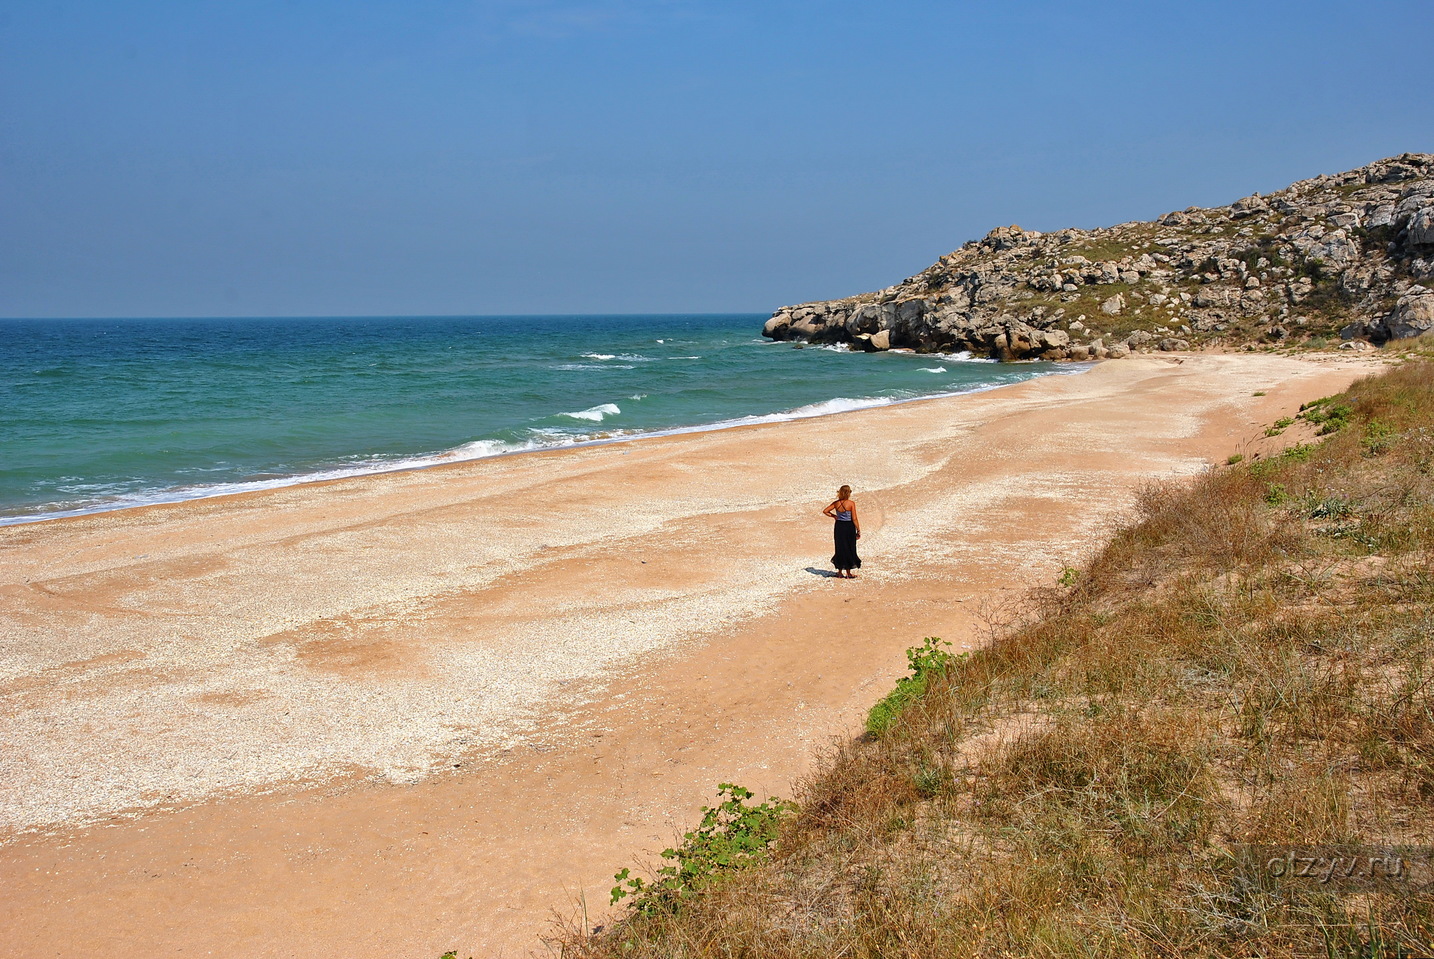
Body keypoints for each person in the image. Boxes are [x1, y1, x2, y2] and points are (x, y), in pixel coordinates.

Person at [822, 485, 862, 579]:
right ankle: (848, 573)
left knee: (839, 547)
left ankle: (839, 572)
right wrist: (858, 529)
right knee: (849, 548)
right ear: (848, 493)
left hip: (839, 526)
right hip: (848, 527)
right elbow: (854, 518)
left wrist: (834, 516)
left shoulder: (836, 503)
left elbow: (825, 511)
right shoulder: (851, 503)